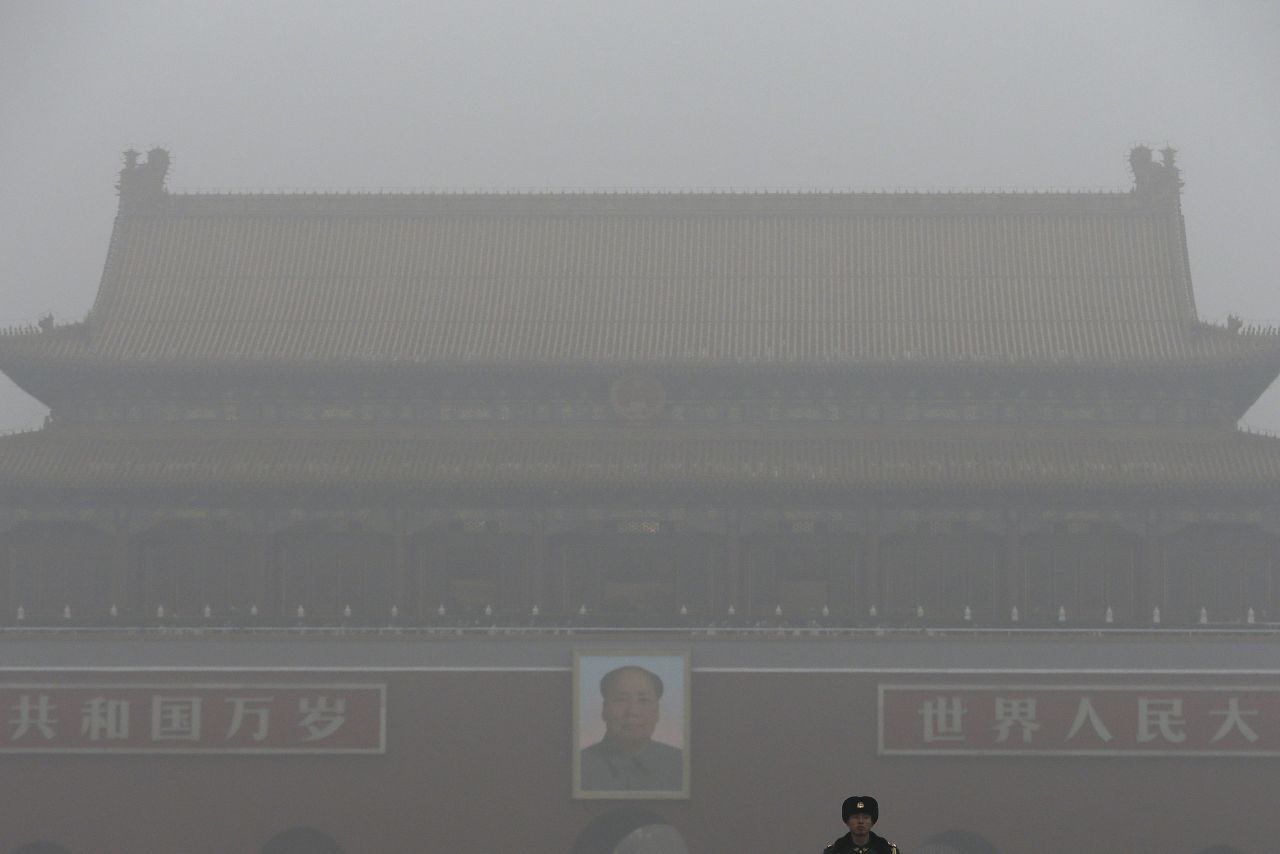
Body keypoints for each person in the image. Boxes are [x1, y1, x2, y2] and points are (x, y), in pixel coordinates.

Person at [578, 665, 684, 792]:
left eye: (643, 700)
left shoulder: (681, 764)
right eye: (621, 700)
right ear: (604, 710)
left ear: (657, 712)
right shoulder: (579, 766)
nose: (633, 711)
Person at [824, 795, 900, 854]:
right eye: (855, 817)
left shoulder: (887, 851)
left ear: (872, 822)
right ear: (847, 821)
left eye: (866, 817)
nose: (860, 821)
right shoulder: (835, 851)